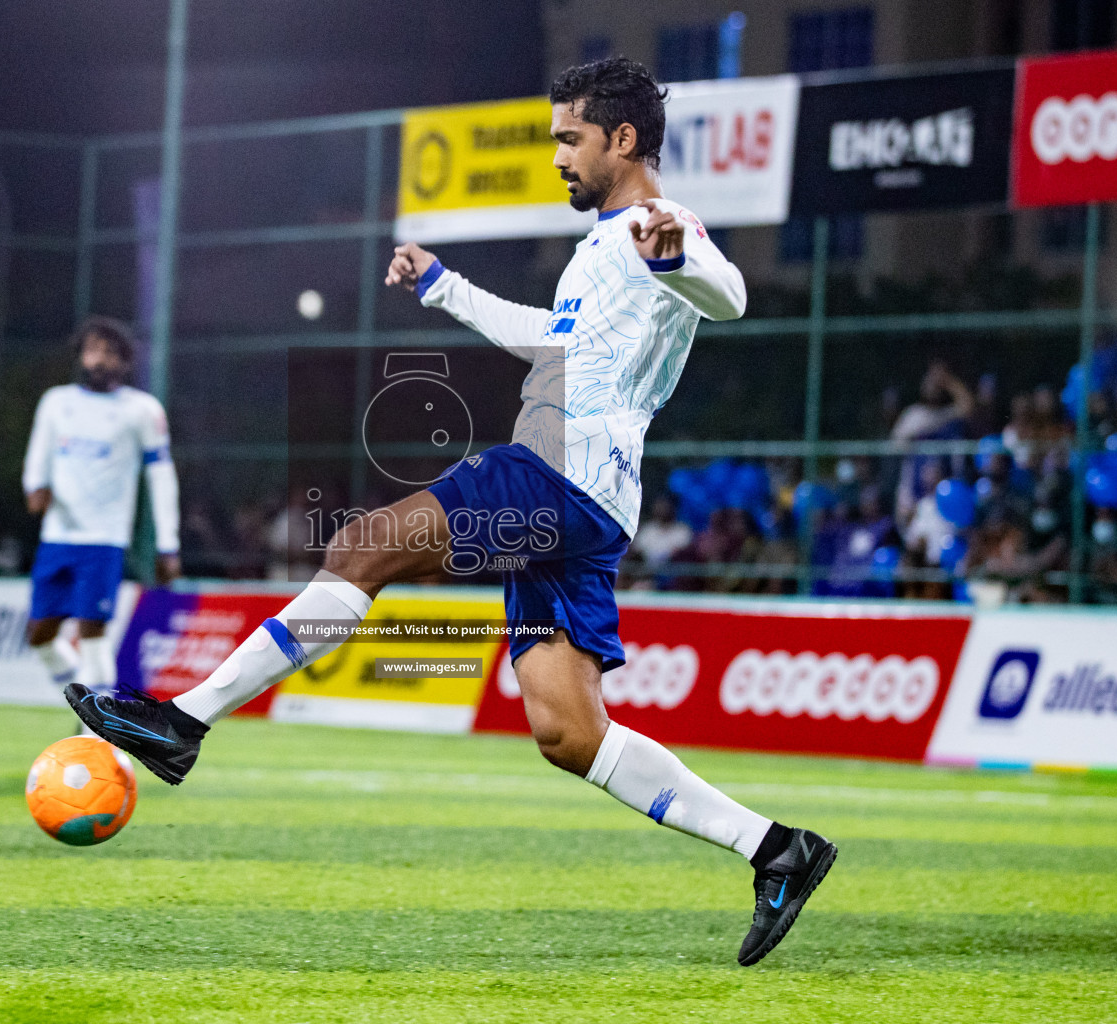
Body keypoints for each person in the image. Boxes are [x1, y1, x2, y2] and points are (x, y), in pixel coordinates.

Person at [63, 57, 835, 968]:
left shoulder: (654, 229)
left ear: (623, 140)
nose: (557, 156)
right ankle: (778, 850)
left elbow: (730, 295)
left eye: (569, 138)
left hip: (554, 473)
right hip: (596, 498)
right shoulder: (604, 245)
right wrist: (445, 287)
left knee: (359, 551)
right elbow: (551, 345)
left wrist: (680, 256)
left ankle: (183, 721)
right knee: (566, 731)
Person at [22, 316, 181, 696]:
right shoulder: (56, 402)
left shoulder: (141, 410)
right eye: (92, 350)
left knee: (92, 628)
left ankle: (98, 723)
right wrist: (35, 487)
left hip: (104, 538)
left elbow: (161, 477)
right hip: (57, 535)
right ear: (81, 356)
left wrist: (168, 544)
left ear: (125, 362)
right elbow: (38, 457)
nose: (98, 360)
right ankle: (87, 700)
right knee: (40, 634)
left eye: (109, 353)